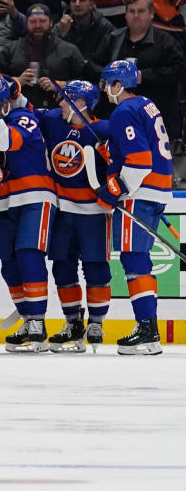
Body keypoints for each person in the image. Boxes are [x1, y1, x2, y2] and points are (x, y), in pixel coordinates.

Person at [0, 75, 57, 352]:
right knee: (8, 261)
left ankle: (38, 321)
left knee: (29, 255)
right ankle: (25, 316)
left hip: (34, 197)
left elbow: (6, 141)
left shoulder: (24, 117)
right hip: (3, 202)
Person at [94, 59, 172, 355]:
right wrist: (114, 152)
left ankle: (147, 330)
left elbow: (140, 161)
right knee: (138, 257)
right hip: (158, 189)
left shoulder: (123, 110)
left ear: (119, 84)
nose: (104, 89)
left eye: (108, 83)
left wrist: (116, 189)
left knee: (133, 258)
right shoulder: (145, 104)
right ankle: (148, 326)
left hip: (140, 190)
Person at [35, 80, 112, 352]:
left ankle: (97, 323)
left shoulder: (103, 130)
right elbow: (25, 112)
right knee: (62, 267)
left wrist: (113, 176)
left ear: (82, 104)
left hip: (94, 213)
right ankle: (73, 323)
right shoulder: (55, 121)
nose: (61, 103)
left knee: (96, 268)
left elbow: (126, 162)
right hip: (62, 211)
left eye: (68, 99)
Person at [92, 0, 186, 142]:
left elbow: (179, 71)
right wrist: (110, 76)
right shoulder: (113, 38)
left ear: (151, 14)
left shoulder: (166, 41)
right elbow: (92, 66)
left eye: (141, 11)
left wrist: (143, 76)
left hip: (154, 115)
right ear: (126, 15)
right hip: (116, 115)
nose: (136, 15)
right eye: (131, 11)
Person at [0, 3, 87, 109]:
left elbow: (86, 83)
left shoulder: (69, 50)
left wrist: (61, 85)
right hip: (19, 111)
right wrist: (16, 81)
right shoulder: (10, 49)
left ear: (51, 23)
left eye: (42, 21)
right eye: (33, 21)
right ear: (26, 23)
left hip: (59, 112)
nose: (38, 26)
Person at [52, 0, 117, 68]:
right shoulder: (62, 25)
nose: (77, 4)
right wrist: (61, 35)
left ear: (91, 4)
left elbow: (113, 55)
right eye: (73, 0)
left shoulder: (104, 27)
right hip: (67, 74)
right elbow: (49, 54)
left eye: (82, 0)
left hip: (95, 75)